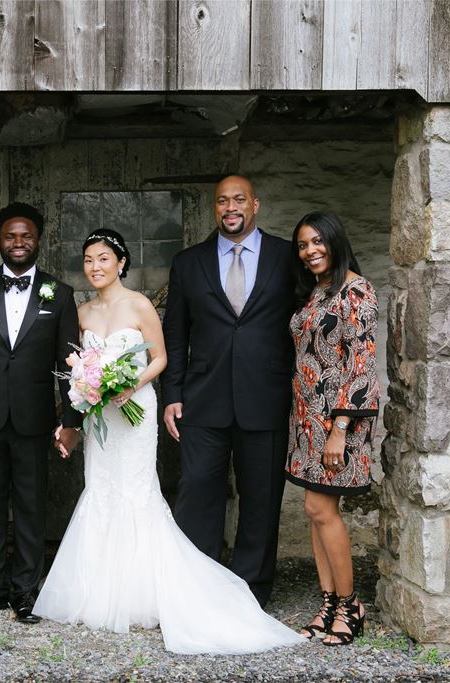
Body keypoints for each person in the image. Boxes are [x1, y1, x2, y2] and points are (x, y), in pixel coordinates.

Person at [33, 230, 303, 654]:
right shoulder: (81, 313)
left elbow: (160, 357)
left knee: (138, 492)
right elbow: (76, 366)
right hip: (103, 417)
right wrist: (89, 392)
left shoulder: (139, 304)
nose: (95, 266)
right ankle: (101, 590)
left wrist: (129, 384)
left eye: (103, 258)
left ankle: (146, 591)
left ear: (121, 263)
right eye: (88, 260)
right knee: (101, 490)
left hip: (134, 411)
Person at [161, 175, 296, 607]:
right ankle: (195, 585)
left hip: (267, 396)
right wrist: (172, 394)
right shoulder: (188, 262)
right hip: (202, 398)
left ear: (255, 204)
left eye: (239, 199)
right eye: (222, 201)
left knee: (261, 496)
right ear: (214, 208)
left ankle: (250, 591)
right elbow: (176, 332)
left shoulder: (285, 256)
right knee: (198, 491)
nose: (230, 207)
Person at [0, 202, 82, 624]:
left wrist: (70, 421)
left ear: (38, 240)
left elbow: (68, 362)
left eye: (26, 236)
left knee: (30, 506)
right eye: (11, 236)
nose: (19, 243)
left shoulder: (60, 293)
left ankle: (26, 593)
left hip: (33, 419)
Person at [286, 212, 379, 646]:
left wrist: (340, 428)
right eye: (304, 244)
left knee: (325, 511)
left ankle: (349, 605)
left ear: (335, 241)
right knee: (313, 510)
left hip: (338, 421)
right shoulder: (317, 291)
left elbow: (361, 365)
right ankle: (328, 603)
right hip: (307, 419)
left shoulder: (356, 291)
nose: (311, 251)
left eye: (318, 241)